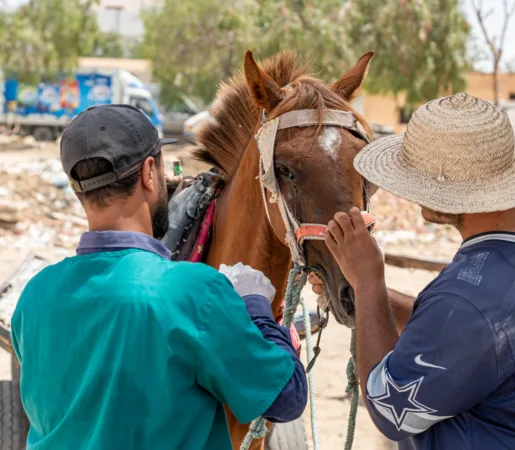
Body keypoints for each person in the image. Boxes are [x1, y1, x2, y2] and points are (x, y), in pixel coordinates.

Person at [10, 105, 307, 450]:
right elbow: (287, 398)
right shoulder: (194, 291)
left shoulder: (34, 295)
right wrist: (256, 309)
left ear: (78, 190)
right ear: (150, 173)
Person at [310, 93, 515, 449]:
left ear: (449, 192)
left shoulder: (467, 300)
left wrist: (368, 281)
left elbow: (388, 408)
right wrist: (362, 292)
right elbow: (451, 331)